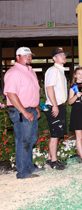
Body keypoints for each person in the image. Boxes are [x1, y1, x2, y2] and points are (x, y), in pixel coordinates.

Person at [4, 47, 41, 179]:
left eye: (30, 55)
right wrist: (25, 112)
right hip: (21, 112)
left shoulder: (31, 71)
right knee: (23, 141)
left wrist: (36, 107)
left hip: (31, 109)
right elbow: (11, 94)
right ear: (18, 56)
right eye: (25, 55)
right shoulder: (13, 72)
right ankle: (23, 172)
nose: (29, 57)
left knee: (31, 140)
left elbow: (34, 91)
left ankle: (29, 167)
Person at [44, 47, 69, 170]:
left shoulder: (60, 70)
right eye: (60, 55)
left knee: (57, 134)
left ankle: (50, 158)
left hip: (59, 105)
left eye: (64, 54)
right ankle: (53, 161)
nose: (63, 56)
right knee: (55, 134)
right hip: (55, 106)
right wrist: (54, 105)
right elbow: (49, 88)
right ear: (54, 58)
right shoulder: (53, 70)